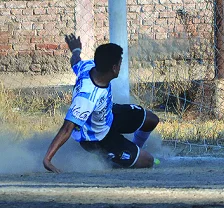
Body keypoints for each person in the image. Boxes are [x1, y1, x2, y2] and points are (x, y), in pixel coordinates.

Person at [43, 34, 160, 173]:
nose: (121, 66)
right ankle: (113, 157)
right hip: (97, 138)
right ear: (114, 68)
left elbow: (75, 61)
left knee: (152, 119)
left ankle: (134, 149)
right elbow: (67, 128)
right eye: (120, 63)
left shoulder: (89, 66)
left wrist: (76, 51)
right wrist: (47, 159)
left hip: (108, 114)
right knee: (148, 161)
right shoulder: (86, 99)